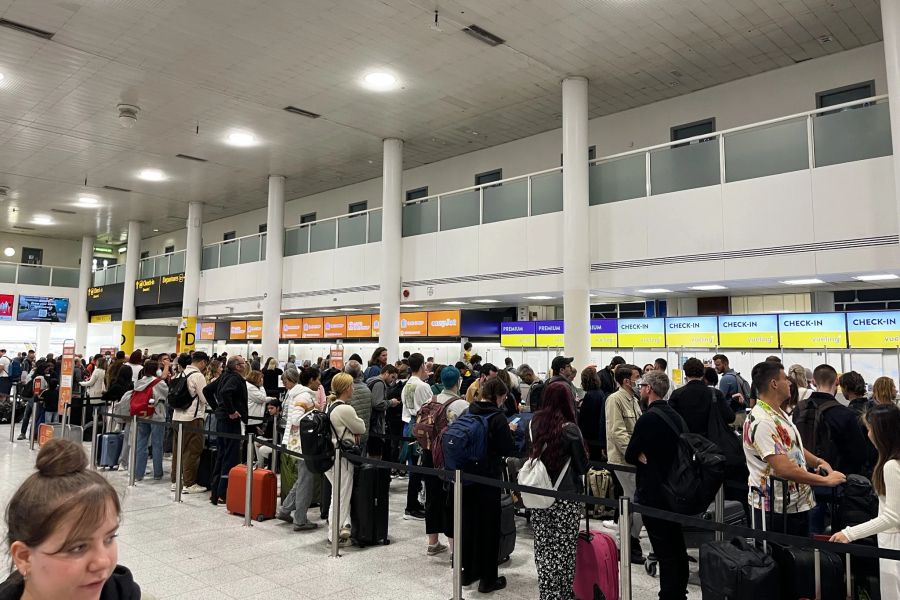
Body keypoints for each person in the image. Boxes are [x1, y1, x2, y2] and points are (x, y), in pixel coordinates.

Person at [0, 439, 142, 600]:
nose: (103, 562)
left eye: (109, 539)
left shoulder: (121, 592)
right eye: (78, 547)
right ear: (24, 557)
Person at [743, 360, 846, 537]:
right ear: (774, 384)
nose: (790, 382)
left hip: (793, 506)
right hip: (775, 510)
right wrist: (826, 481)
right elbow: (783, 469)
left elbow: (791, 446)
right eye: (785, 378)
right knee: (779, 559)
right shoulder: (762, 421)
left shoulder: (777, 413)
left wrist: (818, 461)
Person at [626, 370, 688, 600]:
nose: (640, 389)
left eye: (642, 385)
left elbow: (630, 453)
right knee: (676, 546)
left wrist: (641, 454)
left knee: (664, 549)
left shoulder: (648, 418)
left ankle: (669, 595)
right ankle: (679, 592)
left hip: (654, 492)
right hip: (676, 490)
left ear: (649, 389)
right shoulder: (676, 416)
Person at [830, 403, 900, 598]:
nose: (868, 435)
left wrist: (850, 533)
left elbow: (892, 517)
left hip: (894, 543)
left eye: (870, 429)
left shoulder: (892, 466)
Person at [528, 381, 589, 600]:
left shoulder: (535, 422)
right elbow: (582, 466)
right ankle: (563, 593)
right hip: (565, 496)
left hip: (539, 493)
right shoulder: (570, 429)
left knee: (543, 546)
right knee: (564, 548)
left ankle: (547, 592)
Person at [460, 377, 516, 593]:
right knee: (489, 528)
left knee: (469, 525)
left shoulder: (469, 411)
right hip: (488, 479)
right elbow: (507, 449)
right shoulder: (497, 417)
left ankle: (467, 573)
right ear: (499, 396)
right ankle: (488, 580)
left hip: (466, 478)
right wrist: (509, 432)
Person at [419, 367, 462, 557]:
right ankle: (454, 549)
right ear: (458, 382)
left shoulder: (430, 401)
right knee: (451, 500)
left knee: (432, 496)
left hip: (428, 453)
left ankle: (432, 542)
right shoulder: (461, 405)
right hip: (448, 457)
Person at [605, 363, 646, 564]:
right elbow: (617, 432)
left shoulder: (634, 400)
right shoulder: (615, 400)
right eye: (637, 376)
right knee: (634, 498)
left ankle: (630, 540)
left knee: (632, 499)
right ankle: (627, 541)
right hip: (623, 460)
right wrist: (634, 453)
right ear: (626, 380)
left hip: (633, 459)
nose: (640, 380)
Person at [324, 373, 366, 547]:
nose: (353, 388)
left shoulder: (330, 405)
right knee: (341, 497)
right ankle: (334, 534)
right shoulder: (345, 409)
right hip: (342, 459)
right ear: (347, 388)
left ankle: (341, 527)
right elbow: (361, 427)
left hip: (329, 457)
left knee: (338, 494)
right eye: (351, 385)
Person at [278, 367, 318, 532]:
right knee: (306, 482)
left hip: (297, 443)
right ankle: (300, 520)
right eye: (318, 379)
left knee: (302, 479)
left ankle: (286, 509)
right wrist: (314, 416)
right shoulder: (304, 396)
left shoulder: (297, 394)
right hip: (303, 444)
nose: (319, 382)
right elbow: (296, 419)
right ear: (311, 380)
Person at [207, 355, 249, 505]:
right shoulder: (235, 379)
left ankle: (216, 492)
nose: (245, 366)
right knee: (230, 457)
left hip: (222, 421)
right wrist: (230, 410)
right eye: (243, 364)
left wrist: (218, 409)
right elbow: (225, 392)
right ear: (237, 366)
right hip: (230, 422)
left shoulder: (224, 376)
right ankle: (223, 492)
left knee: (221, 455)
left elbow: (207, 390)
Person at [170, 352, 209, 494]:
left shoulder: (181, 373)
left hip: (176, 416)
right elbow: (204, 398)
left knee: (178, 450)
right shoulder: (198, 376)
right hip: (192, 418)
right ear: (203, 362)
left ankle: (175, 481)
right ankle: (189, 483)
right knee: (192, 451)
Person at [127, 359, 170, 482]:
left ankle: (138, 473)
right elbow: (165, 395)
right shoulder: (159, 383)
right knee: (157, 445)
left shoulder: (138, 382)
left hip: (141, 415)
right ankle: (157, 473)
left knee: (141, 444)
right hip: (156, 415)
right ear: (157, 370)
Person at [402, 353, 433, 520]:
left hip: (409, 426)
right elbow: (430, 409)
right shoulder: (423, 386)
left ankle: (412, 502)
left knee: (413, 466)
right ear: (422, 366)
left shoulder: (406, 385)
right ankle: (412, 505)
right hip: (422, 428)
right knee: (419, 468)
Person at [669, 357, 734, 435]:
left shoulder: (677, 394)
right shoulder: (716, 394)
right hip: (711, 441)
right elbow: (730, 417)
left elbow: (670, 420)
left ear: (685, 373)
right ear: (703, 373)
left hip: (686, 442)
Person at [365, 364, 398, 458]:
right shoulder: (379, 383)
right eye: (392, 377)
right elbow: (377, 404)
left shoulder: (370, 380)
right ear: (386, 373)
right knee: (375, 455)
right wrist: (391, 402)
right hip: (375, 425)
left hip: (370, 422)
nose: (392, 381)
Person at [577, 366, 607, 460]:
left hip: (591, 439)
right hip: (598, 437)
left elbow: (585, 420)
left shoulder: (589, 396)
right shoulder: (600, 393)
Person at [344, 360, 373, 452]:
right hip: (363, 433)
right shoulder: (367, 389)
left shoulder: (344, 390)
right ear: (359, 372)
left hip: (347, 435)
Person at [254, 399, 282, 469]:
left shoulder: (281, 420)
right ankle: (260, 465)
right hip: (272, 440)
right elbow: (269, 434)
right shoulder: (272, 417)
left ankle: (269, 464)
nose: (269, 410)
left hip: (279, 443)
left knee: (262, 449)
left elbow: (278, 438)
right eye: (268, 408)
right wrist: (262, 433)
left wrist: (265, 443)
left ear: (278, 408)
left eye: (272, 408)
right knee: (257, 440)